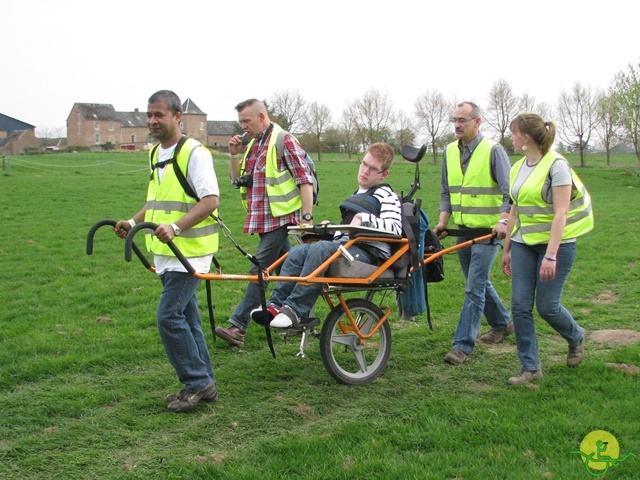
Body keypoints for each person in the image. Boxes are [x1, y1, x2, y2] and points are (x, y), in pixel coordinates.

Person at [114, 90, 219, 412]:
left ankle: (197, 382)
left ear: (177, 117)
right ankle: (204, 381)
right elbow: (157, 201)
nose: (152, 121)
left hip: (189, 251)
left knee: (168, 316)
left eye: (159, 114)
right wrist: (133, 221)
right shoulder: (155, 154)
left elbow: (210, 200)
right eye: (149, 115)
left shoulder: (194, 153)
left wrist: (176, 227)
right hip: (166, 252)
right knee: (187, 317)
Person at [252, 142, 402, 328]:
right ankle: (275, 304)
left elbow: (395, 228)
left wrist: (363, 217)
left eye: (372, 168)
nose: (365, 171)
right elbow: (350, 230)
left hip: (370, 256)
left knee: (321, 248)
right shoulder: (360, 194)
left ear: (384, 174)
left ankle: (296, 310)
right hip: (349, 248)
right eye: (364, 164)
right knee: (300, 251)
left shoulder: (387, 196)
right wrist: (331, 229)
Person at [501, 113, 593, 385]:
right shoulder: (518, 167)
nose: (511, 138)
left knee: (547, 307)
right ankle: (530, 368)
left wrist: (551, 255)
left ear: (526, 137)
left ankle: (575, 336)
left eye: (514, 133)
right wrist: (506, 248)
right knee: (519, 307)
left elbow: (561, 214)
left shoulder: (557, 165)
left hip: (557, 247)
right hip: (523, 244)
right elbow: (514, 209)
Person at [215, 99, 315, 347]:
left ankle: (238, 327)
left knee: (258, 270)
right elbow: (235, 179)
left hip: (281, 220)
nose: (243, 127)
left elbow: (305, 180)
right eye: (241, 122)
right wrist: (232, 155)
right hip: (262, 220)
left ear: (262, 117)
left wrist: (306, 218)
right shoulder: (255, 144)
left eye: (246, 121)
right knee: (290, 271)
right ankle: (301, 318)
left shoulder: (284, 140)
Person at [434, 101, 514, 365]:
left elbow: (509, 193)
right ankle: (502, 322)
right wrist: (443, 222)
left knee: (473, 288)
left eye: (462, 120)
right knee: (477, 283)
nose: (457, 125)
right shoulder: (448, 151)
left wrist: (503, 221)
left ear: (477, 122)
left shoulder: (494, 151)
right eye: (454, 120)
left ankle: (462, 346)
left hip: (487, 234)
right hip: (463, 231)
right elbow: (447, 191)